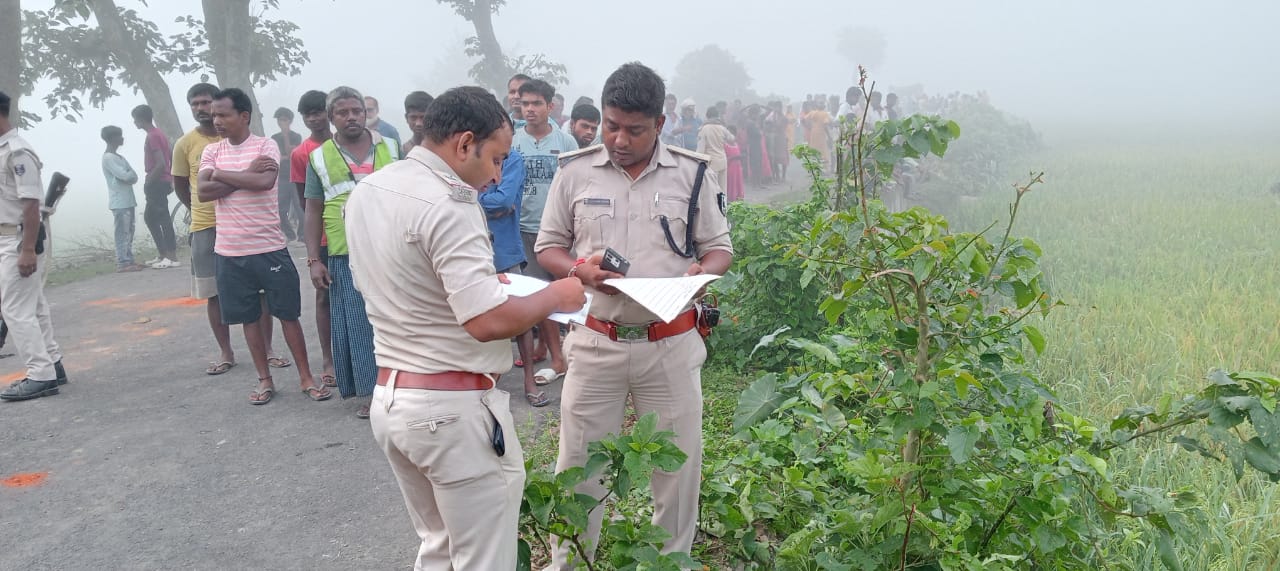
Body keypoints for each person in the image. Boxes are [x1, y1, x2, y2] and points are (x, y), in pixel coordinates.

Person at [345, 85, 586, 570]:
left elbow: (406, 277)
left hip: (394, 402)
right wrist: (559, 294)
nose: (495, 175)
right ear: (464, 143)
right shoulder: (451, 203)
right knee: (482, 559)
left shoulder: (371, 188)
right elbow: (486, 320)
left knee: (439, 547)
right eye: (495, 159)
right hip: (450, 413)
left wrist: (485, 281)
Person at [535, 62, 733, 567]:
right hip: (597, 340)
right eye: (611, 125)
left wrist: (700, 273)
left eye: (634, 129)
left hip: (669, 341)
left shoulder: (692, 173)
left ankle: (670, 560)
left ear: (660, 124)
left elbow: (719, 249)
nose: (619, 139)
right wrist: (581, 269)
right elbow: (549, 247)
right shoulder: (574, 171)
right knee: (578, 464)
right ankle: (570, 563)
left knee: (677, 466)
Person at [197, 88, 330, 405]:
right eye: (214, 115)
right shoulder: (212, 153)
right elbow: (203, 191)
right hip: (229, 252)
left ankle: (306, 377)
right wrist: (240, 174)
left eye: (223, 114)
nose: (216, 120)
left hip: (269, 247)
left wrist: (222, 178)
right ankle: (264, 380)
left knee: (288, 315)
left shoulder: (265, 145)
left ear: (244, 116)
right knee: (249, 318)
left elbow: (264, 183)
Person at [302, 86, 399, 418]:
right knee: (358, 326)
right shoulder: (318, 158)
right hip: (345, 253)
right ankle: (372, 393)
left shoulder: (391, 148)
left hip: (390, 250)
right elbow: (312, 210)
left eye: (357, 110)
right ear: (332, 118)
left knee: (397, 320)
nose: (352, 117)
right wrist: (315, 260)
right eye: (343, 112)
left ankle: (403, 387)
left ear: (365, 112)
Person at [0, 90, 68, 402]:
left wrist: (27, 249)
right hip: (12, 236)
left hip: (19, 238)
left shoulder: (17, 152)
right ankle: (52, 363)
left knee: (14, 309)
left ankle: (40, 375)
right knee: (35, 306)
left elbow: (30, 204)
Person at [513, 78, 578, 394]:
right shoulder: (513, 143)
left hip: (560, 231)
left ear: (550, 106)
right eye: (525, 103)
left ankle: (577, 350)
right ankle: (556, 358)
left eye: (536, 103)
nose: (530, 109)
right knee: (541, 296)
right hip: (525, 229)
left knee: (570, 290)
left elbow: (579, 185)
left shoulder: (566, 143)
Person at [173, 83, 237, 376]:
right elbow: (181, 187)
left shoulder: (235, 139)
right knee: (213, 292)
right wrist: (199, 208)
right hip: (204, 226)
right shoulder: (184, 144)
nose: (200, 109)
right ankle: (226, 351)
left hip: (238, 222)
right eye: (195, 104)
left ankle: (269, 350)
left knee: (256, 289)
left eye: (205, 103)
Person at [479, 150, 542, 405]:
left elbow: (505, 201)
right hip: (476, 247)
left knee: (520, 317)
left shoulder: (512, 158)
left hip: (505, 248)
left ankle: (529, 379)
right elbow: (454, 197)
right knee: (482, 312)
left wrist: (475, 201)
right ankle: (489, 379)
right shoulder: (471, 153)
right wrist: (485, 201)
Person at [290, 89, 336, 389]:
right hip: (324, 235)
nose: (314, 118)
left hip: (356, 234)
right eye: (308, 114)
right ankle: (328, 359)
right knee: (324, 297)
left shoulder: (344, 142)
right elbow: (305, 202)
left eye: (319, 111)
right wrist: (312, 252)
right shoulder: (301, 153)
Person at [131, 104, 179, 268]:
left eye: (135, 119)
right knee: (151, 217)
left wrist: (149, 181)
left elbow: (160, 163)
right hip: (162, 179)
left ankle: (171, 256)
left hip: (157, 181)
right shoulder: (159, 134)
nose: (134, 123)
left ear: (141, 119)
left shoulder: (152, 136)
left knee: (162, 217)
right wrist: (171, 176)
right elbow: (171, 155)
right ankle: (163, 254)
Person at [100, 125, 144, 272]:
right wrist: (128, 175)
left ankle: (128, 259)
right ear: (112, 139)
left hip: (128, 200)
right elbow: (126, 175)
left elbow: (133, 176)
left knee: (129, 231)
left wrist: (129, 175)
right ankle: (123, 262)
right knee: (122, 232)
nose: (122, 138)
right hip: (119, 201)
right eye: (119, 136)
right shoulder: (108, 158)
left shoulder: (120, 157)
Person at [271, 107, 304, 243]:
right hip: (282, 178)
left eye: (284, 119)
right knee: (280, 209)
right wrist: (283, 156)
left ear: (290, 121)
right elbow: (275, 157)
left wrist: (285, 135)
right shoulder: (274, 138)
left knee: (300, 208)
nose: (281, 122)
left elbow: (291, 154)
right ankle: (290, 234)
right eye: (279, 120)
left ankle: (302, 236)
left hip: (296, 177)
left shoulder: (296, 136)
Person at [697, 106, 734, 189]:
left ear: (707, 116)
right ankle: (722, 202)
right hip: (723, 161)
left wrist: (697, 164)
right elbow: (732, 139)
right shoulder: (722, 128)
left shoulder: (704, 129)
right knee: (722, 189)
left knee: (712, 189)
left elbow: (700, 151)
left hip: (711, 163)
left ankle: (713, 202)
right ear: (717, 116)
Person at [400, 90, 433, 157]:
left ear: (432, 117)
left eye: (423, 117)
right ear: (406, 118)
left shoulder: (441, 149)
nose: (418, 123)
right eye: (413, 117)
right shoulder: (402, 151)